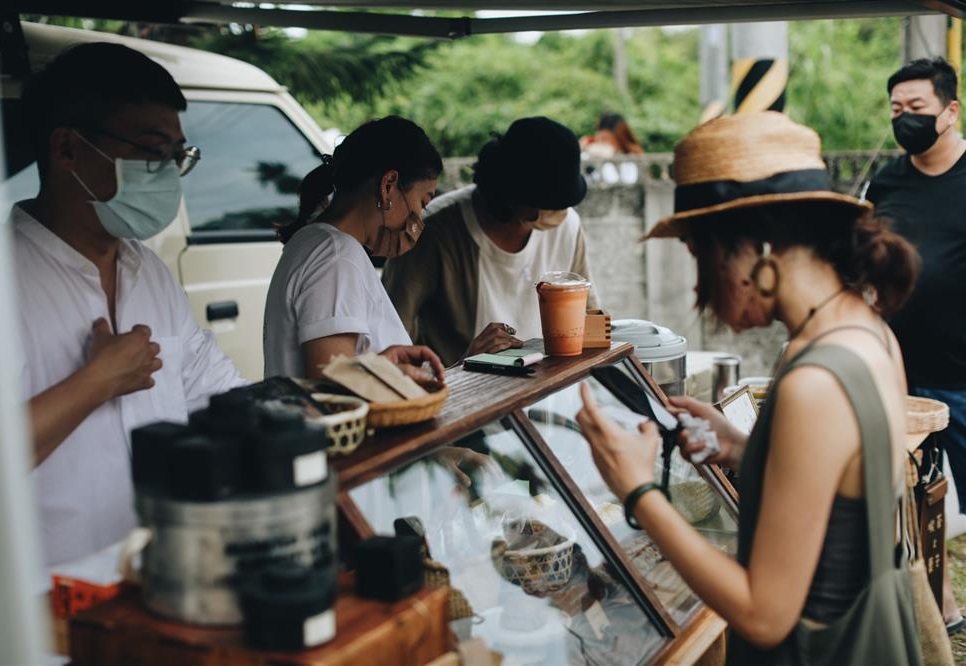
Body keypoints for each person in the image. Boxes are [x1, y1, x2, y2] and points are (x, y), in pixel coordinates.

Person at [578, 112, 925, 662]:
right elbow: (842, 502)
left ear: (758, 251)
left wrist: (637, 490)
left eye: (699, 254)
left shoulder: (813, 382)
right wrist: (741, 447)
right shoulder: (868, 330)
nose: (698, 284)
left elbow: (764, 614)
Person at [0, 43, 248, 664]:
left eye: (177, 155)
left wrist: (347, 388)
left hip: (148, 600)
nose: (168, 172)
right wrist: (95, 382)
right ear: (68, 149)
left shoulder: (148, 271)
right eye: (152, 150)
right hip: (27, 626)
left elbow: (220, 392)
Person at [866, 57, 966, 633]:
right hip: (899, 373)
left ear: (950, 111)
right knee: (912, 498)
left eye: (917, 108)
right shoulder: (887, 183)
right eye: (896, 109)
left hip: (964, 375)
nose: (904, 118)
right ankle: (941, 606)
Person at [382, 116, 598, 367]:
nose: (560, 213)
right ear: (514, 195)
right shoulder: (436, 234)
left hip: (557, 384)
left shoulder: (568, 226)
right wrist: (457, 368)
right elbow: (392, 332)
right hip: (462, 388)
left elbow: (590, 316)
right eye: (549, 204)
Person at [263, 116, 446, 383]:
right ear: (388, 185)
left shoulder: (315, 243)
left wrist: (384, 367)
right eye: (423, 202)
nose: (419, 218)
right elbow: (333, 382)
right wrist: (397, 375)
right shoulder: (336, 256)